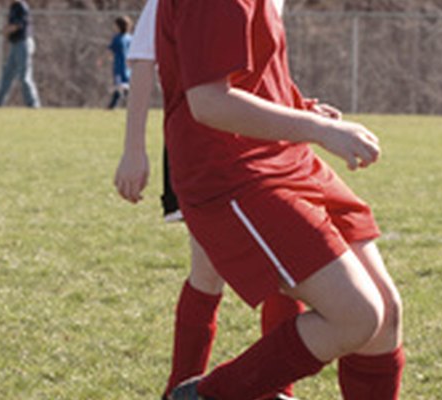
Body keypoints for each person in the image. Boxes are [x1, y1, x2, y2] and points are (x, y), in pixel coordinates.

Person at [155, 0, 405, 399]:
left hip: (285, 159)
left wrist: (298, 107)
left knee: (385, 315)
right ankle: (207, 395)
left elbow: (247, 77)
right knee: (357, 315)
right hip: (234, 177)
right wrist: (317, 129)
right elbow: (208, 100)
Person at [114, 1, 309, 399]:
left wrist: (303, 111)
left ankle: (277, 389)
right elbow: (143, 58)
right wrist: (134, 149)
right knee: (208, 272)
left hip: (264, 149)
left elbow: (263, 70)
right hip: (204, 154)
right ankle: (182, 388)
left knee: (284, 275)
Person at [0, 0, 41, 108]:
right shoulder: (13, 6)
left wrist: (3, 31)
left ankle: (33, 103)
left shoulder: (21, 6)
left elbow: (17, 25)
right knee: (8, 74)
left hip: (23, 43)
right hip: (15, 44)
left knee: (24, 76)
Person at [106, 16, 133, 109]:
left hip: (119, 65)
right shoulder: (130, 38)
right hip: (129, 66)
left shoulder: (117, 38)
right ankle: (119, 103)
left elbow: (110, 51)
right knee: (125, 84)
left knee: (119, 85)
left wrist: (103, 59)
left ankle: (113, 105)